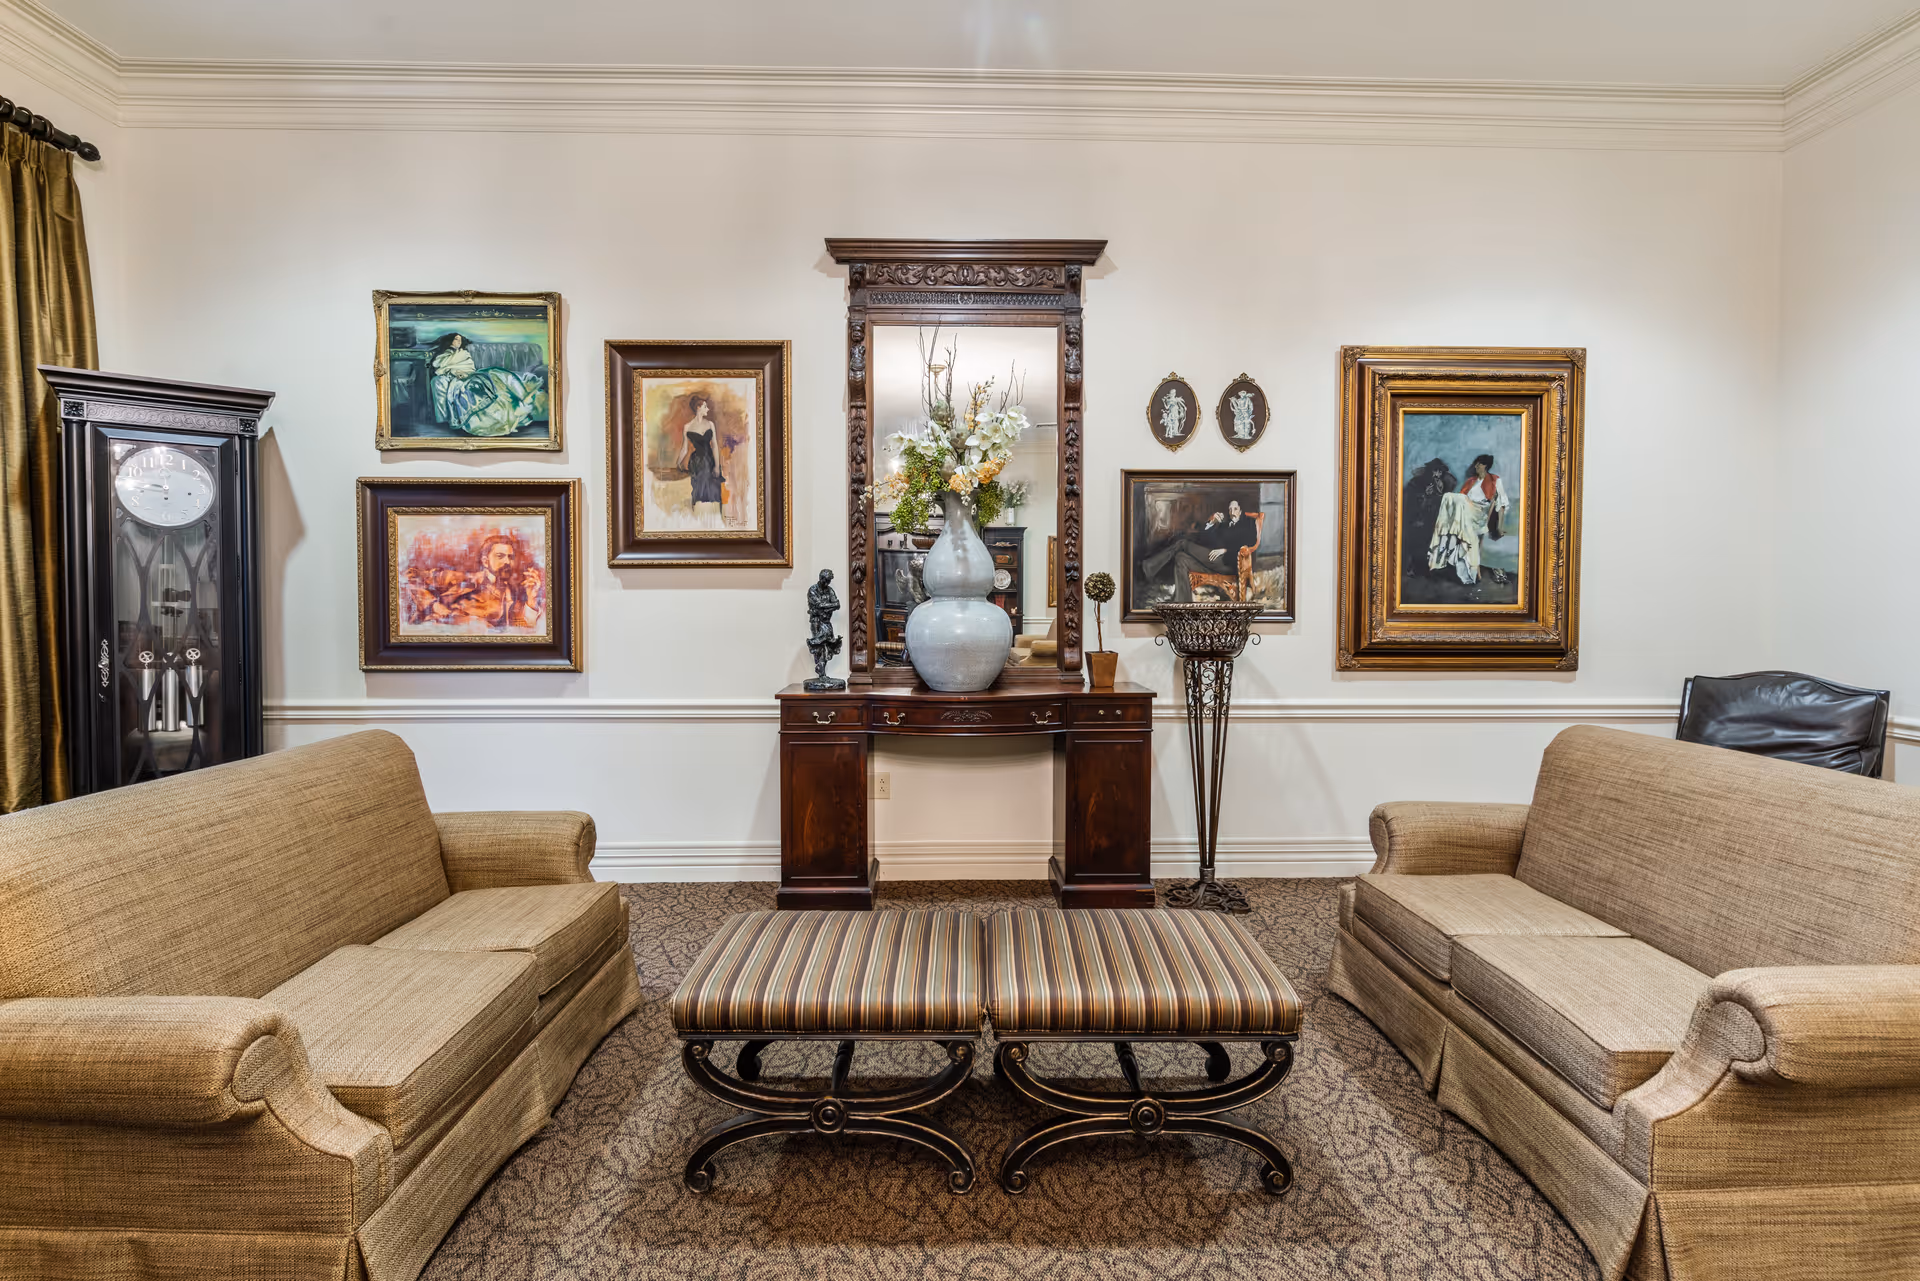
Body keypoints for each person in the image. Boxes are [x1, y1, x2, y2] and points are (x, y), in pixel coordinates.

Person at [428, 332, 549, 438]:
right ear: (449, 341)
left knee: (495, 377)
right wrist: (455, 372)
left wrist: (465, 374)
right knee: (469, 389)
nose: (458, 342)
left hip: (470, 375)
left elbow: (470, 367)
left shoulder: (464, 353)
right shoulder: (442, 356)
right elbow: (439, 369)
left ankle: (520, 396)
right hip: (456, 378)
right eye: (455, 339)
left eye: (459, 340)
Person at [1139, 498, 1262, 602]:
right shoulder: (1224, 525)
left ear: (1240, 510)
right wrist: (1211, 523)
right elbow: (1204, 539)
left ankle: (1149, 567)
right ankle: (1182, 602)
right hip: (1212, 561)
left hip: (1228, 562)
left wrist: (1224, 550)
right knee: (1181, 558)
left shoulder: (1248, 523)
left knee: (1182, 543)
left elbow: (1251, 542)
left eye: (1235, 508)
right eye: (1230, 509)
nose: (1232, 511)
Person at [426, 534, 545, 631]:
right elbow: (411, 581)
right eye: (500, 556)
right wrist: (439, 609)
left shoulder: (513, 592)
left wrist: (531, 599)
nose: (507, 561)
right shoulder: (464, 581)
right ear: (485, 562)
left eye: (510, 557)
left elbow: (524, 630)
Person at [1427, 454, 1509, 585]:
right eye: (1476, 463)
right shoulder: (1471, 481)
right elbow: (1460, 500)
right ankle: (1447, 538)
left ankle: (1450, 538)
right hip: (1466, 513)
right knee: (1450, 496)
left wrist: (1499, 526)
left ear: (1485, 466)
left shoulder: (1494, 480)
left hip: (1480, 514)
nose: (1476, 466)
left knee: (1459, 499)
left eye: (1479, 464)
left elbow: (1502, 503)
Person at [1402, 457, 1457, 578]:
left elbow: (1446, 497)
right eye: (1435, 471)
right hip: (1419, 517)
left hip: (1435, 517)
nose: (1437, 474)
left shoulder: (1445, 481)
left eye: (1439, 471)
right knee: (1418, 541)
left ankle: (1434, 566)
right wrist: (1424, 495)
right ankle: (1414, 567)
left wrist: (1439, 494)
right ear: (1430, 470)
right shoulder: (1418, 481)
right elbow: (1411, 500)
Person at [675, 394, 724, 510]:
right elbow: (684, 448)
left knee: (713, 490)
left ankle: (712, 516)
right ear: (698, 408)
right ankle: (699, 512)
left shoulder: (710, 424)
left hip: (710, 460)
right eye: (705, 407)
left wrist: (717, 466)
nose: (708, 409)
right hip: (697, 462)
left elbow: (715, 446)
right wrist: (678, 463)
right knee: (700, 488)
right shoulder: (687, 427)